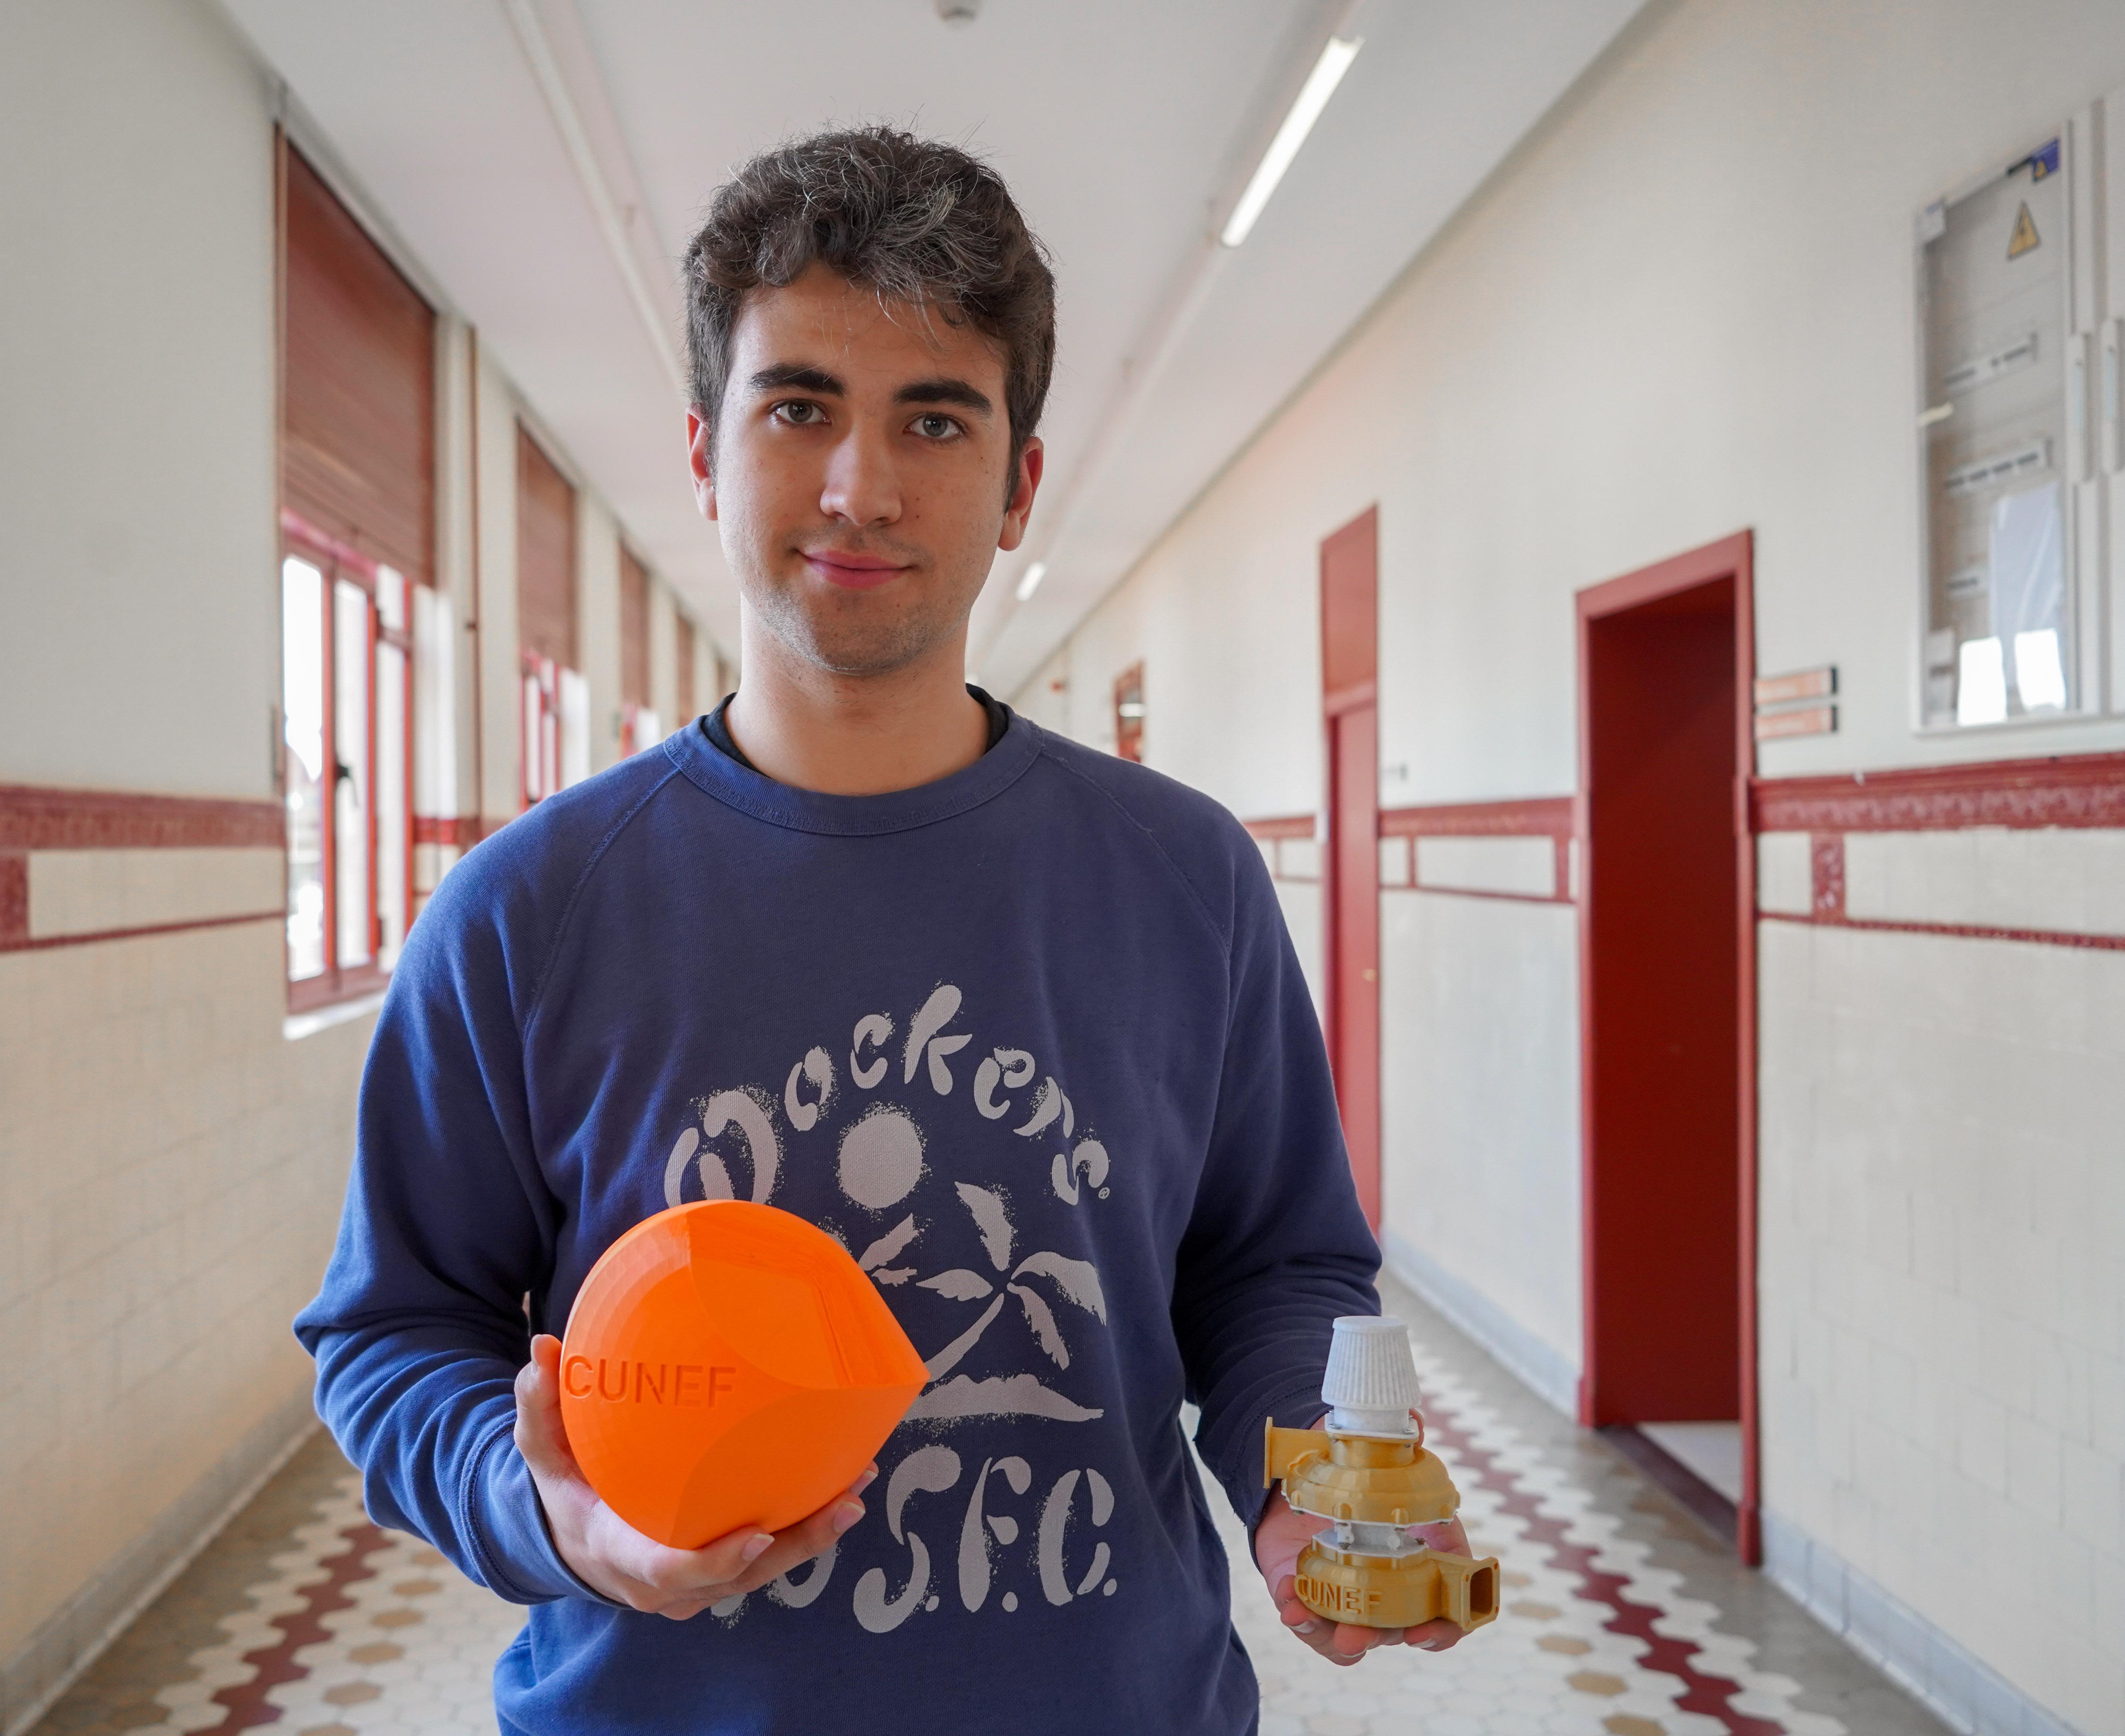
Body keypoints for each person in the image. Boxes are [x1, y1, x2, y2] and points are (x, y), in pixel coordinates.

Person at [296, 125, 1470, 1733]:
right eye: (800, 409)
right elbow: (395, 1331)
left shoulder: (1185, 880)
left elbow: (1274, 1267)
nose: (862, 485)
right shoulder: (528, 913)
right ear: (705, 452)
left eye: (936, 416)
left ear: (1018, 482)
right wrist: (544, 1509)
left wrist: (1301, 1488)